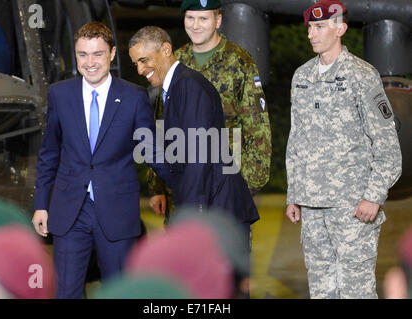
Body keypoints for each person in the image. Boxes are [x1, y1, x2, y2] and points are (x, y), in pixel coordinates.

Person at [32, 21, 168, 298]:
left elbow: (152, 151)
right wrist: (41, 205)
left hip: (117, 211)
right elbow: (49, 154)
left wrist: (188, 184)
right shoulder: (60, 94)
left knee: (119, 292)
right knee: (66, 292)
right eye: (83, 54)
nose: (89, 62)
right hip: (70, 211)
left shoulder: (133, 97)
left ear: (112, 53)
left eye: (97, 54)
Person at [285, 0, 402, 299]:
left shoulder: (362, 75)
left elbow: (387, 144)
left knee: (356, 291)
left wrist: (373, 196)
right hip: (312, 205)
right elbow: (296, 140)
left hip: (353, 207)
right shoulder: (302, 77)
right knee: (321, 289)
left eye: (320, 26)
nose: (312, 34)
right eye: (310, 27)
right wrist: (294, 195)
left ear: (341, 29)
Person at [128, 26, 259, 249]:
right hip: (212, 208)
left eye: (144, 60)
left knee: (220, 284)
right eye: (136, 64)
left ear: (166, 49)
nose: (140, 70)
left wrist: (193, 216)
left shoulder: (187, 86)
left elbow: (198, 158)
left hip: (215, 212)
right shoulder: (177, 87)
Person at [147, 0, 271, 223]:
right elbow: (160, 125)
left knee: (227, 255)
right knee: (185, 256)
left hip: (226, 186)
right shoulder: (173, 61)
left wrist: (245, 186)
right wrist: (157, 185)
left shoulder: (239, 60)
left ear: (218, 20)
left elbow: (257, 129)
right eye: (190, 18)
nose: (196, 25)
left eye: (203, 18)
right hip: (182, 188)